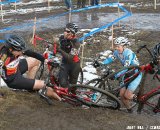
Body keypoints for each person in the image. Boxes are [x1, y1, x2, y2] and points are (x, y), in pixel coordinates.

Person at [0, 34, 61, 104]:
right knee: (45, 85)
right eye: (19, 50)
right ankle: (61, 100)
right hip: (13, 80)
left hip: (15, 69)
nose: (22, 52)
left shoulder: (13, 49)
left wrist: (45, 60)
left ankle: (30, 87)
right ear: (11, 49)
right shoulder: (3, 58)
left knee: (35, 60)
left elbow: (31, 53)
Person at [102, 37, 142, 113]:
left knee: (127, 95)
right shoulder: (117, 52)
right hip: (127, 73)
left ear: (124, 46)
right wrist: (102, 63)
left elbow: (126, 67)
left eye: (118, 46)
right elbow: (111, 58)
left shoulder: (128, 53)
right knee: (122, 96)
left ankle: (140, 99)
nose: (116, 48)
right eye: (116, 46)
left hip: (135, 73)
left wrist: (116, 75)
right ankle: (130, 110)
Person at [56, 23, 81, 88]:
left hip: (74, 65)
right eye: (64, 30)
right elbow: (56, 46)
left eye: (67, 31)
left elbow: (70, 58)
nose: (64, 32)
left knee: (72, 87)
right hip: (65, 63)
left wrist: (59, 50)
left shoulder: (76, 43)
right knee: (62, 83)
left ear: (72, 33)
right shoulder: (62, 38)